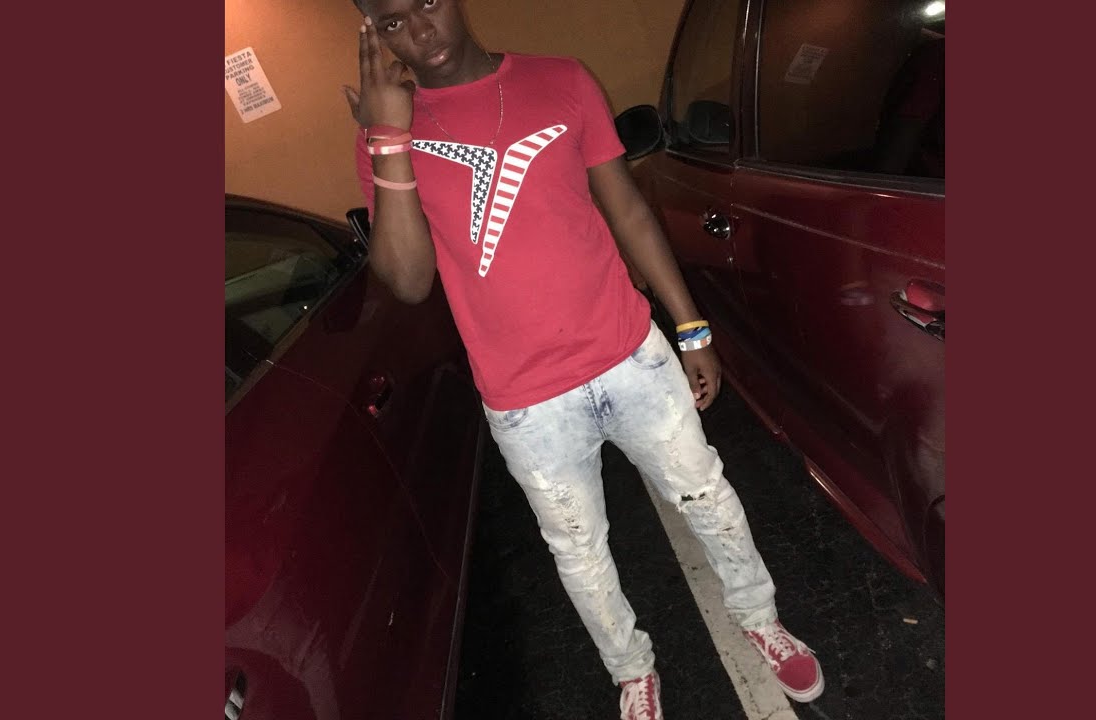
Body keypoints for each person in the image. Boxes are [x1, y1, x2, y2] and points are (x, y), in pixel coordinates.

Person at [341, 1, 823, 717]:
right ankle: (631, 670)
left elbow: (627, 210)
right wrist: (387, 138)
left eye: (428, 2)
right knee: (579, 552)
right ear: (372, 33)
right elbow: (409, 280)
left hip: (629, 356)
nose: (416, 30)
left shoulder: (561, 81)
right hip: (526, 401)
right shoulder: (388, 133)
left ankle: (760, 619)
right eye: (389, 22)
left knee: (707, 496)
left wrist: (691, 327)